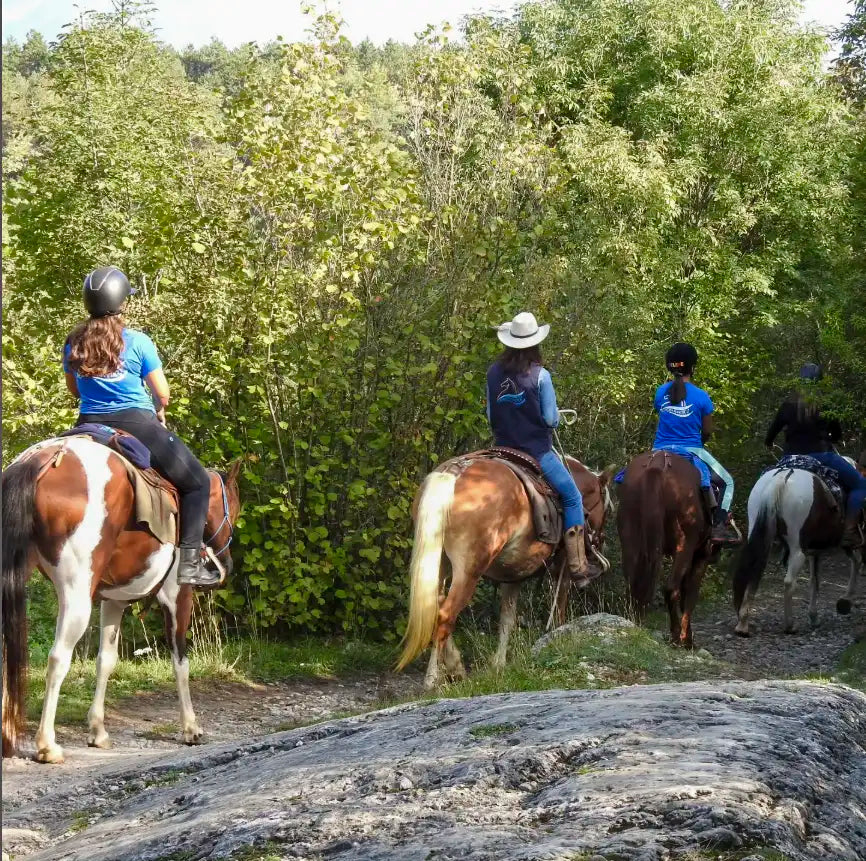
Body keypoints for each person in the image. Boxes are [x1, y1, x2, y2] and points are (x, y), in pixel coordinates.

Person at [63, 266, 219, 587]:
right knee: (199, 482)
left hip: (86, 424)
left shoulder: (72, 343)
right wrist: (158, 409)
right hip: (137, 423)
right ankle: (189, 562)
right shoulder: (137, 341)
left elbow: (74, 390)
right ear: (121, 302)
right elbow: (163, 393)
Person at [486, 311, 601, 581]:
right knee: (572, 496)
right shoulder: (541, 376)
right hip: (535, 453)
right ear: (535, 343)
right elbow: (550, 419)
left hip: (502, 451)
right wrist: (555, 416)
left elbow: (491, 416)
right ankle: (577, 566)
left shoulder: (493, 372)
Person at [765, 363, 866, 548]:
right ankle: (850, 531)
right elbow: (836, 434)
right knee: (860, 484)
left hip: (790, 458)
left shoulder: (787, 404)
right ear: (819, 382)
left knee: (765, 483)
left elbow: (771, 434)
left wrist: (770, 443)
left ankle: (766, 529)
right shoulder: (826, 403)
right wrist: (832, 437)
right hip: (822, 455)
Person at [652, 342, 739, 545]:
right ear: (692, 367)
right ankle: (719, 526)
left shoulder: (660, 393)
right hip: (691, 449)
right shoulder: (701, 396)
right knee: (728, 481)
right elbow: (707, 430)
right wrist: (701, 441)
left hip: (659, 449)